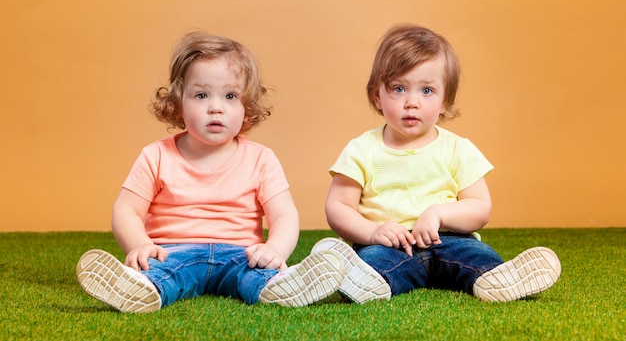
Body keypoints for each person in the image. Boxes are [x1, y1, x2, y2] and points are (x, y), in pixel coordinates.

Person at [76, 31, 349, 312]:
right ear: (179, 101)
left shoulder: (261, 159)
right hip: (173, 252)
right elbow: (126, 210)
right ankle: (139, 288)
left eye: (230, 96)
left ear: (247, 106)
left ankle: (280, 286)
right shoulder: (156, 155)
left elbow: (284, 215)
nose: (216, 108)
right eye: (201, 95)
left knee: (256, 275)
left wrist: (275, 250)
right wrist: (140, 245)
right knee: (163, 274)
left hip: (241, 254)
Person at [323, 23, 561, 302]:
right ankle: (362, 280)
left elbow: (480, 207)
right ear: (378, 96)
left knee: (479, 256)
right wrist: (373, 231)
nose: (411, 102)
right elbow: (338, 207)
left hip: (449, 240)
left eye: (426, 91)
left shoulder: (458, 149)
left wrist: (438, 214)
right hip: (391, 245)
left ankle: (497, 278)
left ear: (445, 101)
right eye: (398, 89)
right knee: (374, 260)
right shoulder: (361, 150)